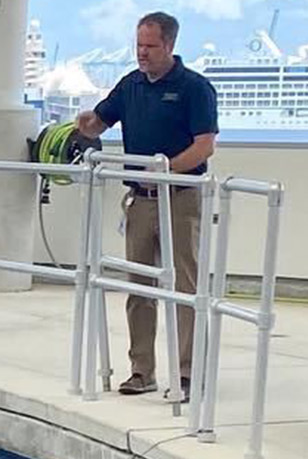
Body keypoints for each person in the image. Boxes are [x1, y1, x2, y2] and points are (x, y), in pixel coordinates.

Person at [77, 10, 218, 402]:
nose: (142, 53)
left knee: (185, 288)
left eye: (150, 46)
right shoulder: (130, 85)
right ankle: (142, 370)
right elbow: (99, 121)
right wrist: (84, 124)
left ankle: (188, 372)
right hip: (139, 200)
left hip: (181, 197)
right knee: (139, 287)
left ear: (170, 45)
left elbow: (205, 145)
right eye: (139, 45)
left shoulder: (195, 88)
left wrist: (165, 171)